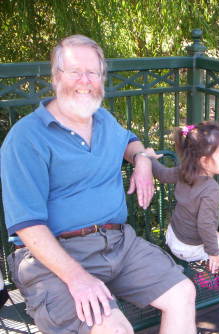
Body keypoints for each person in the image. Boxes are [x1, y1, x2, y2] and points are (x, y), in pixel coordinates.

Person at [0, 35, 196, 334]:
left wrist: (142, 158)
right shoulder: (26, 138)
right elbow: (28, 226)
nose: (85, 80)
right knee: (114, 329)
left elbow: (129, 140)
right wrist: (77, 278)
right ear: (56, 77)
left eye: (93, 73)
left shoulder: (103, 119)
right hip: (53, 257)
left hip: (117, 244)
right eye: (75, 71)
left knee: (183, 293)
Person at [145, 122, 219, 288]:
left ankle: (209, 270)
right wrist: (214, 253)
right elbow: (204, 224)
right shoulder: (212, 189)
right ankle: (215, 274)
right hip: (189, 248)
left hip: (174, 237)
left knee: (213, 234)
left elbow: (163, 174)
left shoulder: (184, 171)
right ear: (204, 161)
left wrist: (150, 158)